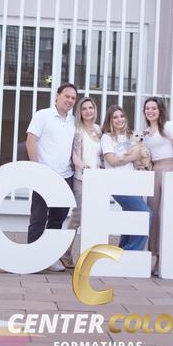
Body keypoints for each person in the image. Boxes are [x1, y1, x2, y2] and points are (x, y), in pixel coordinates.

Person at [25, 82, 78, 272]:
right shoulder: (43, 115)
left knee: (57, 220)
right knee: (38, 219)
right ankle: (32, 259)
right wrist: (36, 168)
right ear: (57, 96)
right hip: (45, 174)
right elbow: (31, 140)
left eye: (73, 98)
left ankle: (49, 258)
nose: (69, 100)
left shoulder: (74, 121)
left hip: (66, 176)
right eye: (67, 96)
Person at [100, 105, 152, 251]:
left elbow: (142, 152)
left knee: (131, 219)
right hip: (117, 184)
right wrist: (135, 156)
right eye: (115, 117)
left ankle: (122, 252)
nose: (119, 119)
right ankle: (132, 251)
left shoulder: (131, 135)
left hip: (134, 183)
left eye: (122, 116)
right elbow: (112, 161)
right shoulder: (107, 137)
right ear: (110, 120)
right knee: (145, 214)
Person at [142, 97, 173, 272]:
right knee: (153, 213)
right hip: (154, 171)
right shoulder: (145, 132)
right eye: (147, 108)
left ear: (160, 110)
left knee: (167, 213)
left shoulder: (169, 126)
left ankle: (167, 257)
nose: (150, 111)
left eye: (153, 108)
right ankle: (154, 254)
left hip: (169, 168)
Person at [61, 97, 103, 268]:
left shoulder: (99, 130)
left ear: (95, 110)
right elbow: (75, 156)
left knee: (94, 218)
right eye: (84, 108)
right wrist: (82, 166)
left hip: (98, 182)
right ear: (80, 112)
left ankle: (90, 257)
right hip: (82, 179)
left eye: (90, 108)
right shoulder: (78, 130)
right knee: (77, 217)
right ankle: (65, 253)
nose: (88, 111)